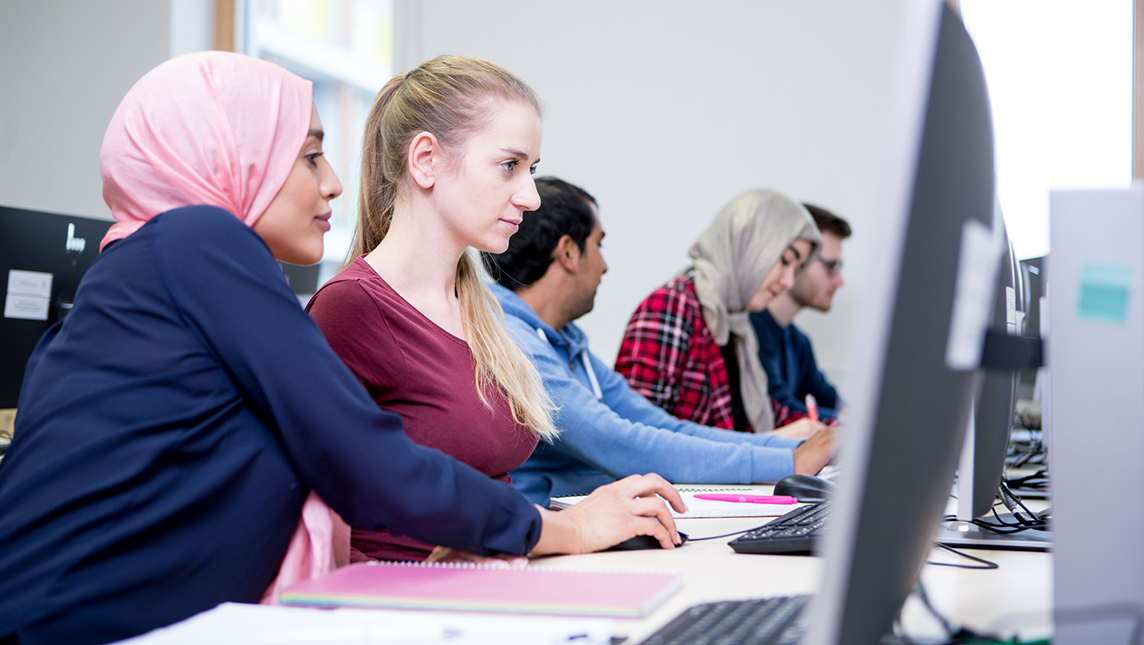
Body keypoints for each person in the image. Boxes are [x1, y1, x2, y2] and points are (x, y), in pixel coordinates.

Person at [0, 52, 682, 645]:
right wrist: (568, 529)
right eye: (307, 155)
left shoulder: (138, 270)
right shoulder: (196, 241)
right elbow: (369, 462)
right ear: (231, 160)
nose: (331, 181)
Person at [306, 57, 684, 563]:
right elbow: (331, 530)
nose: (529, 197)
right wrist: (572, 526)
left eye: (531, 170)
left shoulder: (479, 307)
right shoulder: (352, 308)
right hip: (416, 604)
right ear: (426, 160)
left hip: (502, 576)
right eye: (509, 166)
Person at [481, 178, 838, 506]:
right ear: (569, 253)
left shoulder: (569, 342)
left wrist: (794, 449)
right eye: (598, 244)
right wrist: (788, 459)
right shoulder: (513, 340)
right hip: (543, 535)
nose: (604, 265)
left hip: (594, 515)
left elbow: (660, 426)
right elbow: (620, 443)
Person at [615, 189, 826, 436]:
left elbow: (767, 412)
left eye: (797, 269)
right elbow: (639, 438)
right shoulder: (670, 307)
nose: (788, 281)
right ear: (749, 244)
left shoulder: (738, 323)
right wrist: (765, 445)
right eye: (786, 260)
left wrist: (830, 433)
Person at [752, 204, 850, 421]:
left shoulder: (798, 343)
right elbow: (777, 411)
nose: (840, 280)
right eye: (831, 266)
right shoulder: (750, 327)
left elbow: (832, 402)